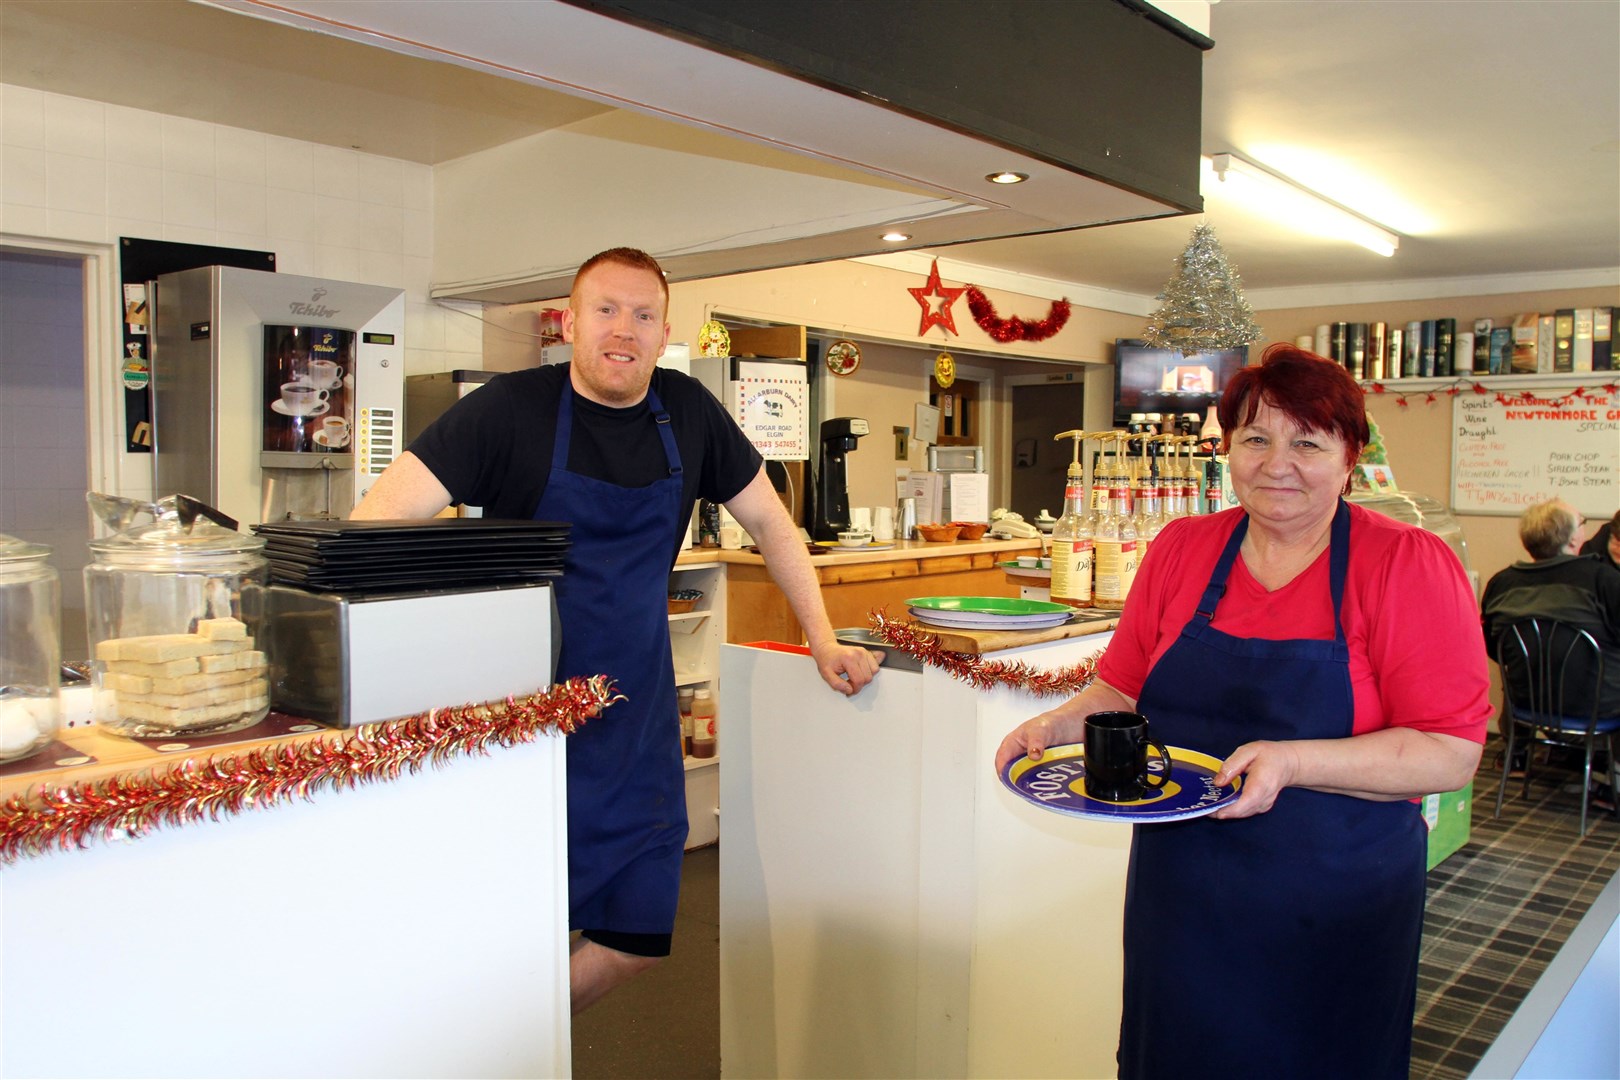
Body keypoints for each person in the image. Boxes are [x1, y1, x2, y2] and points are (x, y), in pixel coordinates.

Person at [352, 247, 880, 1012]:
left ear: (665, 331)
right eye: (605, 310)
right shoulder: (510, 408)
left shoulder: (688, 412)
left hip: (632, 718)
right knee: (509, 921)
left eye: (642, 315)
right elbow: (376, 524)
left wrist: (823, 638)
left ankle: (506, 1035)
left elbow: (772, 522)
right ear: (570, 322)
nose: (622, 331)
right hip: (520, 724)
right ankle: (503, 1047)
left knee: (637, 935)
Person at [995, 343, 1490, 1079]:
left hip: (1335, 894)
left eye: (1307, 443)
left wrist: (1293, 762)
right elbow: (1121, 689)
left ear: (1350, 455)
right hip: (1187, 889)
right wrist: (1060, 723)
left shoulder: (1405, 564)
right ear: (1228, 448)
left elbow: (1449, 750)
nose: (1276, 462)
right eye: (1255, 438)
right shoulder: (1181, 549)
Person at [1480, 500, 1620, 793]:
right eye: (1582, 523)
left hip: (1528, 703)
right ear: (1572, 539)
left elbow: (1495, 649)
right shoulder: (1604, 580)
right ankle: (1612, 784)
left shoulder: (1501, 583)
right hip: (1597, 707)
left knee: (1524, 667)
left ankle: (1517, 755)